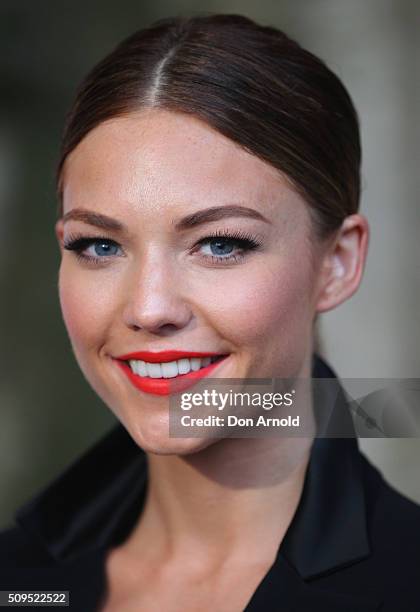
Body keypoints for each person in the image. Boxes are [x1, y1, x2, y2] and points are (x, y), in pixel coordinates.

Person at [1, 13, 419, 612]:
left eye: (221, 244)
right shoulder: (17, 580)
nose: (149, 308)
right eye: (100, 245)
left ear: (337, 263)